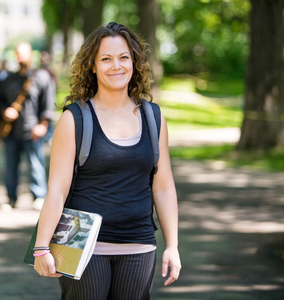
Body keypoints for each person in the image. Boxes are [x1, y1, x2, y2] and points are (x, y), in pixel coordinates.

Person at [33, 22, 181, 299]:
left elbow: (163, 187)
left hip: (139, 244)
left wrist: (172, 245)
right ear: (92, 65)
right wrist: (41, 246)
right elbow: (57, 189)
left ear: (134, 62)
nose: (117, 66)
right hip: (83, 246)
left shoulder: (153, 117)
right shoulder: (74, 119)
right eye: (106, 59)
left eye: (124, 57)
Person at [0, 42, 56, 210]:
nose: (20, 57)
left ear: (31, 55)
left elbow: (49, 103)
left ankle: (39, 196)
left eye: (23, 54)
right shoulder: (8, 79)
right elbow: (0, 101)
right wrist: (5, 111)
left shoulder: (41, 77)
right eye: (17, 54)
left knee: (36, 164)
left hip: (33, 130)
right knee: (10, 167)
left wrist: (43, 125)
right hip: (12, 131)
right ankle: (11, 198)